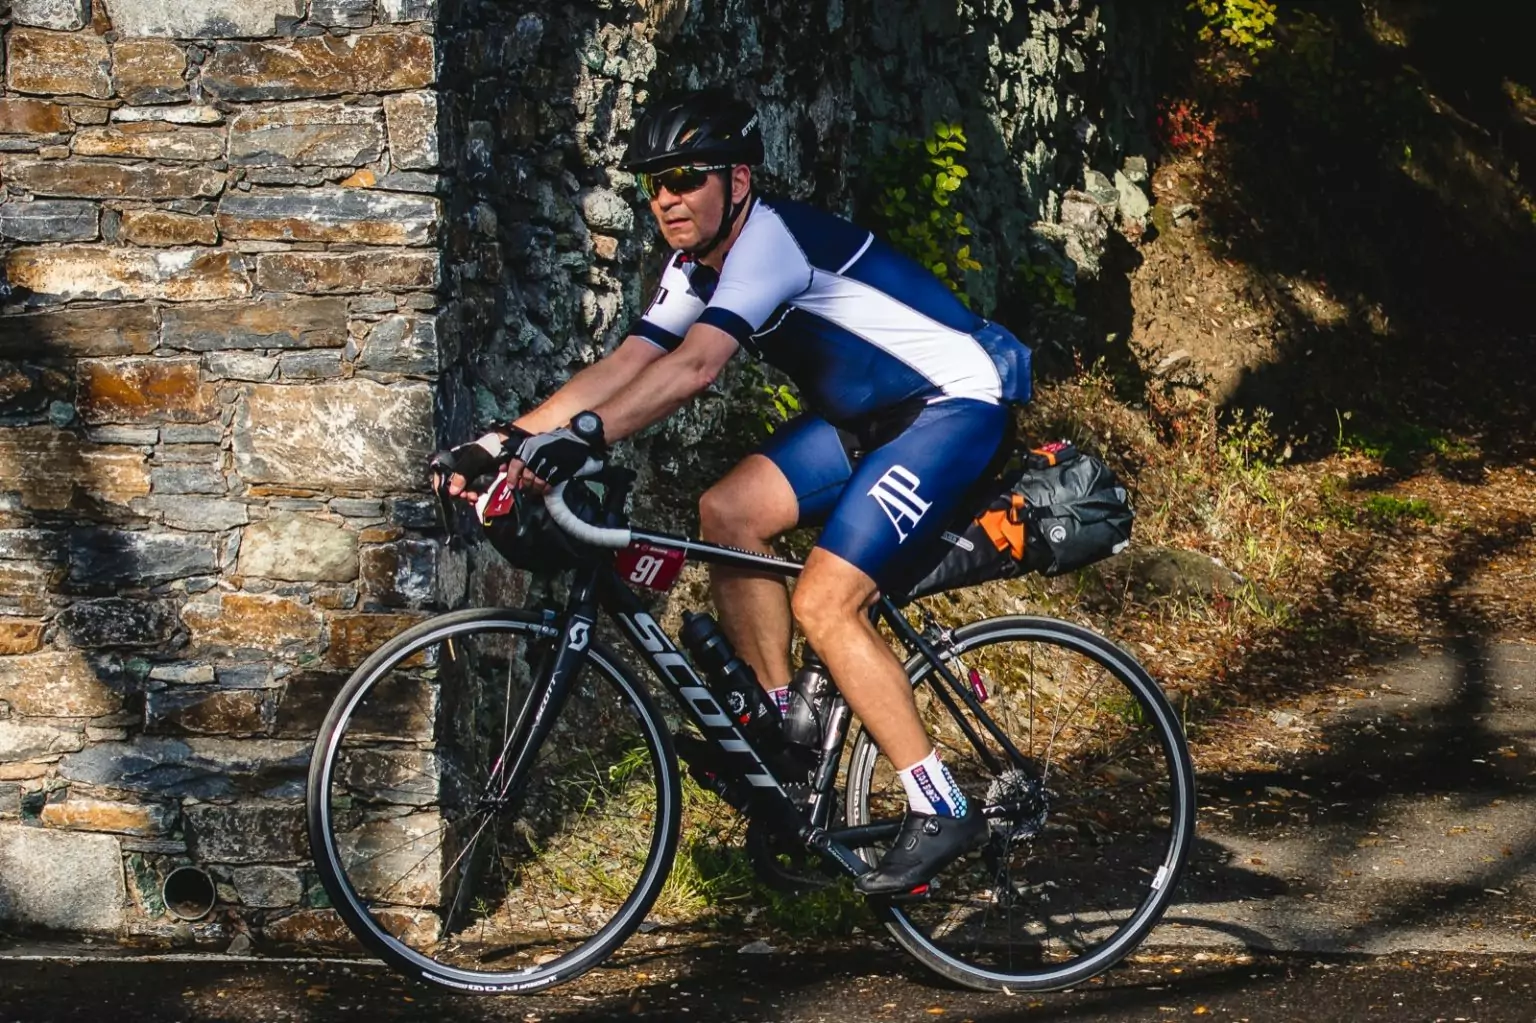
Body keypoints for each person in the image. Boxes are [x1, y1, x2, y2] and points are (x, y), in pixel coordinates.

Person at [443, 89, 1033, 895]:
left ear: (739, 181)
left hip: (951, 405)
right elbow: (628, 363)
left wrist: (582, 438)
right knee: (727, 513)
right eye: (654, 183)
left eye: (687, 178)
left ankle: (939, 803)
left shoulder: (769, 244)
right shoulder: (693, 267)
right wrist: (499, 441)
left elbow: (694, 366)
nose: (667, 198)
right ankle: (787, 731)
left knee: (825, 601)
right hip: (868, 419)